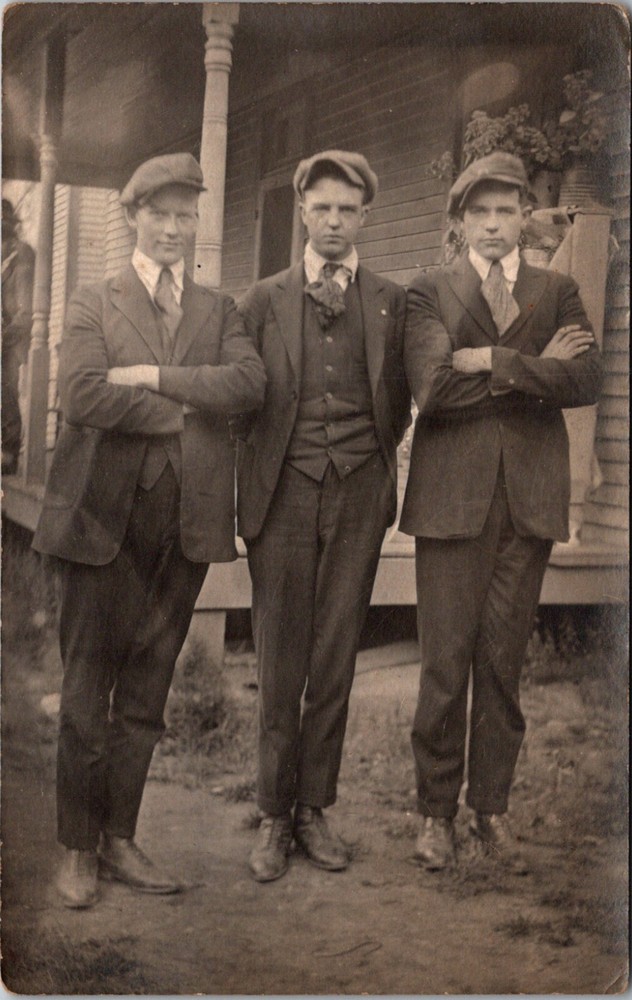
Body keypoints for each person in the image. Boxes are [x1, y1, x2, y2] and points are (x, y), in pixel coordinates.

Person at [33, 153, 266, 908]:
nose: (171, 227)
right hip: (100, 523)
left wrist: (156, 379)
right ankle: (76, 848)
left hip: (186, 528)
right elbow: (82, 395)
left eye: (183, 214)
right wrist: (186, 408)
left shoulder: (218, 310)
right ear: (134, 215)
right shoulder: (93, 301)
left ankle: (121, 839)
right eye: (158, 213)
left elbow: (248, 386)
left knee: (145, 693)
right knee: (84, 689)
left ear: (196, 222)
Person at [400, 152, 602, 873]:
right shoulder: (429, 292)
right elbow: (433, 390)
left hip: (527, 505)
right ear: (460, 222)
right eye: (479, 212)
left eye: (506, 211)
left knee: (503, 665)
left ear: (524, 218)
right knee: (445, 666)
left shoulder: (558, 288)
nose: (493, 225)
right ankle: (434, 814)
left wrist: (492, 362)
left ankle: (491, 810)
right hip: (451, 504)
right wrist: (533, 366)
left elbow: (586, 378)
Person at [235, 150, 410, 882]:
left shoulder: (394, 301)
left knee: (336, 655)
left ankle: (315, 807)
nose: (334, 222)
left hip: (360, 492)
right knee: (280, 658)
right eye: (322, 208)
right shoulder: (262, 300)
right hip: (283, 494)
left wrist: (369, 461)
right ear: (303, 212)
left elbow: (400, 396)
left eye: (348, 209)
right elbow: (242, 397)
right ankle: (275, 814)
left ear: (364, 215)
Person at [2, 198, 35, 474]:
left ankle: (9, 453)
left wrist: (5, 334)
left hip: (14, 338)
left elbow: (26, 310)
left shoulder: (22, 254)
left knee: (6, 389)